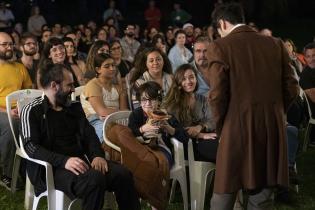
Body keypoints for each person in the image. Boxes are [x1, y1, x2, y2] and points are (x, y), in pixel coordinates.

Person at [206, 3, 299, 210]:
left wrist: (221, 129)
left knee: (224, 192)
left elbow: (217, 95)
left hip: (235, 129)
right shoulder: (275, 44)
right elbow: (292, 86)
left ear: (221, 23)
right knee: (262, 195)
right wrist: (276, 110)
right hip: (272, 128)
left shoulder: (220, 46)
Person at [20, 63, 140, 210]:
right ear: (54, 85)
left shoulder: (74, 107)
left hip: (82, 163)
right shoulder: (32, 110)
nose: (73, 89)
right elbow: (30, 147)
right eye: (69, 85)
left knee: (123, 174)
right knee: (94, 180)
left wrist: (97, 155)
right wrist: (64, 161)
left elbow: (89, 135)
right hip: (51, 169)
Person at [163, 64, 218, 161]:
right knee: (220, 152)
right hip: (186, 144)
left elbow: (212, 120)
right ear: (178, 81)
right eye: (184, 79)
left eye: (191, 77)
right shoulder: (172, 103)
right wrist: (200, 135)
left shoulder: (202, 99)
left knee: (227, 146)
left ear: (196, 79)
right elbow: (174, 129)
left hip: (205, 138)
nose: (188, 81)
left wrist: (200, 127)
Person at [0, 32, 32, 189]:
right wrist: (7, 111)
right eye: (4, 44)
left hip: (19, 110)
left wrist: (23, 108)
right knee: (9, 125)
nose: (9, 47)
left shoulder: (20, 68)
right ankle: (7, 174)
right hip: (2, 112)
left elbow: (29, 93)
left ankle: (32, 172)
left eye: (11, 44)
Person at [81, 53, 128, 142]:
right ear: (98, 69)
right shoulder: (93, 85)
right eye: (107, 66)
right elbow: (102, 112)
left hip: (116, 121)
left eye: (113, 65)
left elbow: (125, 111)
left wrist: (120, 113)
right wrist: (120, 113)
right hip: (96, 122)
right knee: (118, 136)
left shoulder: (118, 88)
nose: (112, 68)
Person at [299, 42, 315, 147]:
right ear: (305, 58)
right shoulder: (305, 75)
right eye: (309, 56)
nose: (312, 59)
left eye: (314, 55)